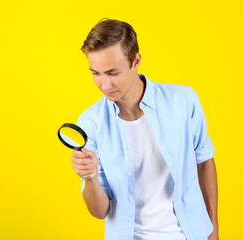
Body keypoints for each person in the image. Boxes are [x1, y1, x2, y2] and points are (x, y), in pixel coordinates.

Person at [70, 18, 219, 240]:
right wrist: (90, 177)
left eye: (112, 73)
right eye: (96, 73)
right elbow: (100, 212)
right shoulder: (91, 123)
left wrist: (212, 228)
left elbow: (204, 162)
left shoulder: (184, 101)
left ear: (135, 61)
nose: (104, 85)